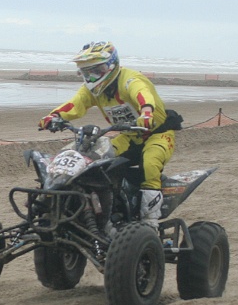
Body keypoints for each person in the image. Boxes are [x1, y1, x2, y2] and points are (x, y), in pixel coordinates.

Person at [38, 41, 176, 227]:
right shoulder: (92, 90)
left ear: (111, 64)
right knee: (95, 160)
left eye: (96, 70)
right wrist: (54, 115)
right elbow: (76, 104)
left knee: (150, 163)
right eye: (86, 72)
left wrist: (146, 112)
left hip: (157, 134)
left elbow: (142, 93)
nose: (91, 76)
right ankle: (108, 205)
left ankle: (150, 221)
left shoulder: (130, 80)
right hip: (128, 137)